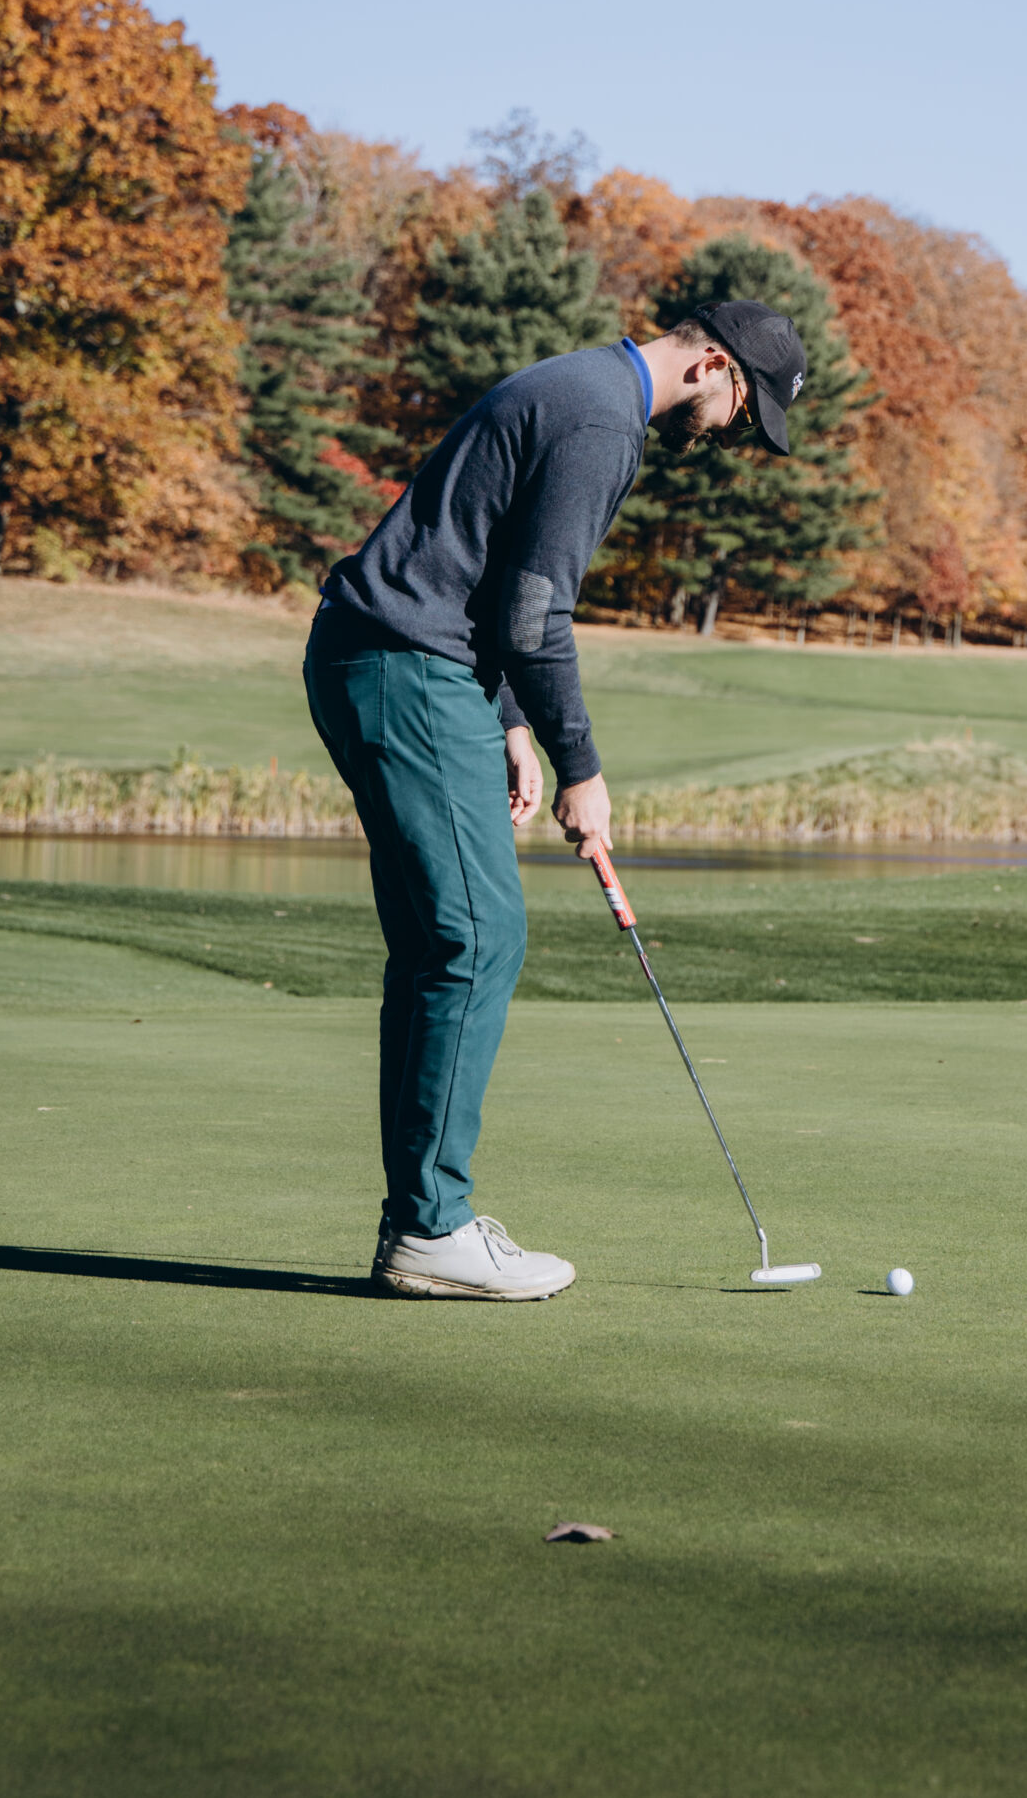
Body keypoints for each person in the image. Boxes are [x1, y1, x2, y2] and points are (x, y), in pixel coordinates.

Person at [304, 299, 808, 1302]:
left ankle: (421, 1218)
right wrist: (582, 768)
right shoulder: (601, 422)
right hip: (407, 666)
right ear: (714, 364)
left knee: (439, 944)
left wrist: (507, 723)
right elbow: (537, 615)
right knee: (476, 938)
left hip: (396, 660)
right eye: (744, 414)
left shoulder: (579, 386)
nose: (733, 439)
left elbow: (486, 576)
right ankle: (430, 1229)